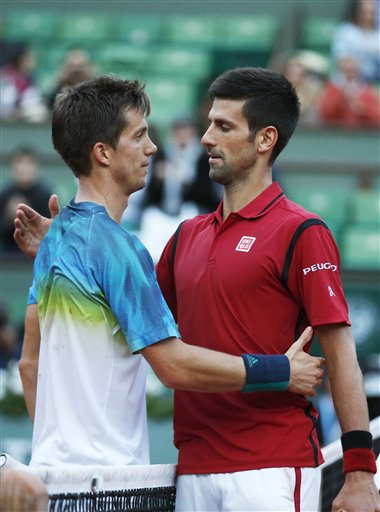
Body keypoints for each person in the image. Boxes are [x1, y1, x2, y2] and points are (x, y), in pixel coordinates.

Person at [14, 76, 323, 470]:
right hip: (106, 481)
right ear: (103, 153)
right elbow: (172, 365)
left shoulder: (57, 243)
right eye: (139, 135)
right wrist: (281, 369)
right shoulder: (118, 249)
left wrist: (54, 449)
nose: (152, 147)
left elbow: (28, 366)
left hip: (50, 475)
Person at [154, 68, 379, 511]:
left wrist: (359, 473)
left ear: (264, 139)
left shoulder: (302, 230)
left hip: (271, 469)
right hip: (193, 471)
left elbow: (340, 355)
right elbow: (135, 324)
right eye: (208, 124)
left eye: (223, 126)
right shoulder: (184, 236)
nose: (205, 138)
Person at [0, 148, 52, 253]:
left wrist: (29, 215)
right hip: (8, 254)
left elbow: (50, 231)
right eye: (20, 162)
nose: (24, 167)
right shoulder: (5, 193)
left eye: (29, 163)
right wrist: (9, 218)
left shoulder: (45, 194)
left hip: (38, 251)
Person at [331, 0, 380, 84]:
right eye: (365, 11)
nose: (370, 13)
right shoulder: (346, 31)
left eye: (372, 11)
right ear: (357, 10)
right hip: (352, 83)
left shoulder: (377, 34)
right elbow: (343, 62)